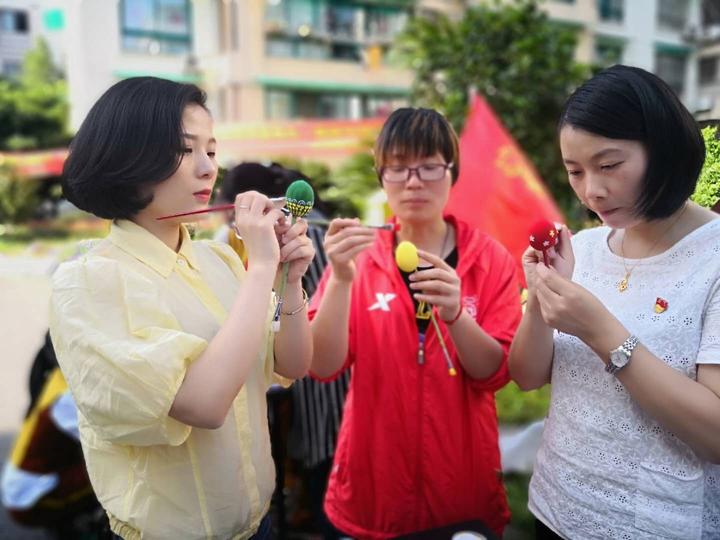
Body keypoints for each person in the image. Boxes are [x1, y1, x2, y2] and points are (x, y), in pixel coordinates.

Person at [49, 77, 315, 540]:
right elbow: (203, 404)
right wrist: (261, 269)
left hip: (261, 527)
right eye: (184, 149)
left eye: (211, 152)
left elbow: (293, 364)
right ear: (127, 157)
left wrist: (289, 281)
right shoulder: (89, 281)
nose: (208, 169)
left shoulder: (219, 261)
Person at [508, 64, 720, 539]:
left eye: (609, 165)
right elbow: (525, 376)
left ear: (664, 149)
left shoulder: (713, 258)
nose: (591, 190)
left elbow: (715, 437)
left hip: (659, 525)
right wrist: (540, 298)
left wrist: (602, 333)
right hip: (557, 508)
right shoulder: (582, 249)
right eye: (574, 171)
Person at [309, 107, 522, 538]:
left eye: (428, 166)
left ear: (451, 172)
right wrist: (341, 281)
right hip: (372, 492)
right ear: (381, 177)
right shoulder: (361, 257)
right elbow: (322, 364)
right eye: (398, 168)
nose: (413, 181)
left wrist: (456, 316)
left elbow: (494, 373)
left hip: (461, 490)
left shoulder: (489, 258)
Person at [216, 162, 349, 539]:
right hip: (309, 372)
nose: (231, 220)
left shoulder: (300, 233)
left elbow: (296, 329)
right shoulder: (292, 228)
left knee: (327, 465)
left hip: (326, 378)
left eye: (232, 210)